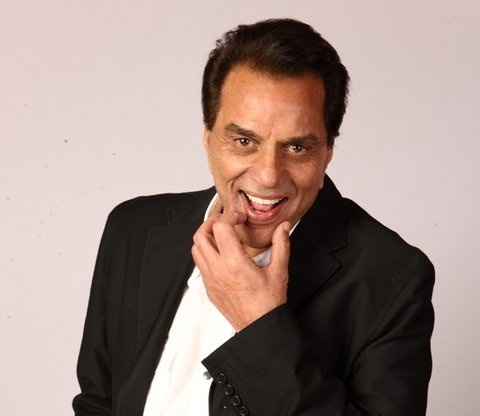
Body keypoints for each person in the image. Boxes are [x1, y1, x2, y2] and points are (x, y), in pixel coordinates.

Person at [73, 18, 434, 416]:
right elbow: (98, 402)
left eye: (297, 148)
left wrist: (259, 324)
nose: (268, 176)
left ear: (328, 152)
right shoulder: (133, 230)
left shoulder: (393, 277)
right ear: (208, 138)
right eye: (244, 141)